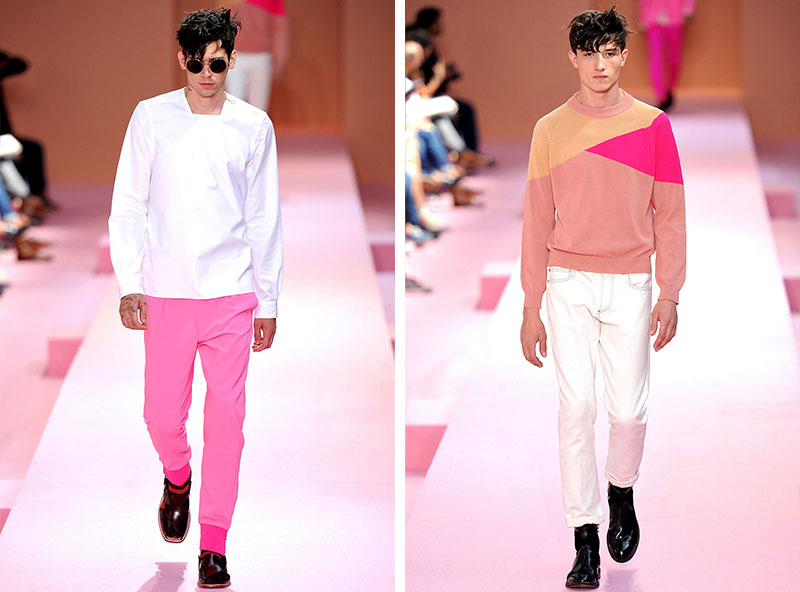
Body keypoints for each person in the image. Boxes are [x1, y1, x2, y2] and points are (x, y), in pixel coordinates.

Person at [108, 8, 283, 589]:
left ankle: (214, 543)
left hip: (231, 292)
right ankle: (177, 476)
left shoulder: (253, 125)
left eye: (217, 63)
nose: (206, 73)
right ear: (180, 58)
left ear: (231, 60)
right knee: (161, 416)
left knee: (228, 421)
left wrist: (267, 300)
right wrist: (129, 281)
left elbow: (264, 217)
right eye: (196, 62)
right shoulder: (151, 117)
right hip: (166, 290)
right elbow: (128, 203)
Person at [518, 7, 685, 589]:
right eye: (589, 53)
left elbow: (671, 214)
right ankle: (584, 538)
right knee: (576, 409)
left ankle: (621, 491)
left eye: (609, 52)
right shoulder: (549, 129)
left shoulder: (653, 125)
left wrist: (670, 291)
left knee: (628, 412)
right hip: (567, 280)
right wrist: (531, 304)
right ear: (573, 57)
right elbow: (536, 220)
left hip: (632, 282)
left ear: (624, 55)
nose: (599, 64)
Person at [225, 0, 288, 111]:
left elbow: (280, 29)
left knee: (258, 110)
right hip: (235, 55)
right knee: (233, 106)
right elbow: (221, 21)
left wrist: (279, 62)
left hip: (261, 58)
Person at [639, 0, 696, 110]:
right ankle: (661, 96)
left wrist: (688, 8)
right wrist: (643, 18)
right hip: (653, 20)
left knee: (674, 59)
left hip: (675, 18)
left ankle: (669, 88)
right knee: (656, 57)